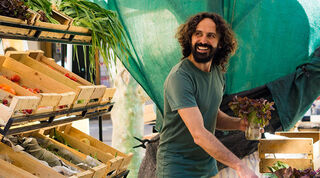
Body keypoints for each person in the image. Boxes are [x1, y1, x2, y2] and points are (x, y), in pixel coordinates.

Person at [156, 12, 258, 178]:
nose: (203, 41)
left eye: (211, 36)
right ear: (190, 38)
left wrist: (240, 124)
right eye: (198, 34)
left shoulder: (217, 72)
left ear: (220, 43)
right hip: (177, 168)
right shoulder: (180, 77)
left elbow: (211, 114)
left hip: (207, 166)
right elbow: (199, 134)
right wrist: (239, 165)